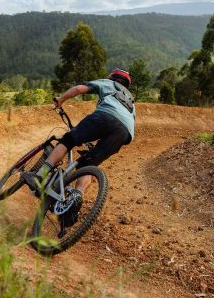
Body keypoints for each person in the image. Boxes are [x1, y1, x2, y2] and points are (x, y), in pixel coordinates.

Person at [22, 69, 136, 220]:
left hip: (105, 116)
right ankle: (73, 203)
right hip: (124, 132)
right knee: (89, 164)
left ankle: (39, 176)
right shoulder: (131, 101)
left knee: (68, 140)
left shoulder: (109, 83)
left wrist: (61, 99)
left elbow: (79, 89)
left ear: (112, 77)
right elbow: (120, 123)